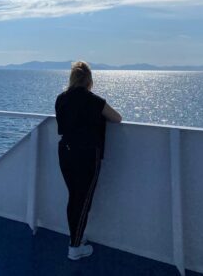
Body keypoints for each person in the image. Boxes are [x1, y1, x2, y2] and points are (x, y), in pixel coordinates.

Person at [55, 61, 122, 261]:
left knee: (74, 197)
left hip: (65, 151)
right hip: (86, 155)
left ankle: (77, 238)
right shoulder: (94, 101)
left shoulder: (61, 99)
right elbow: (117, 118)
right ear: (89, 80)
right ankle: (74, 247)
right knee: (83, 201)